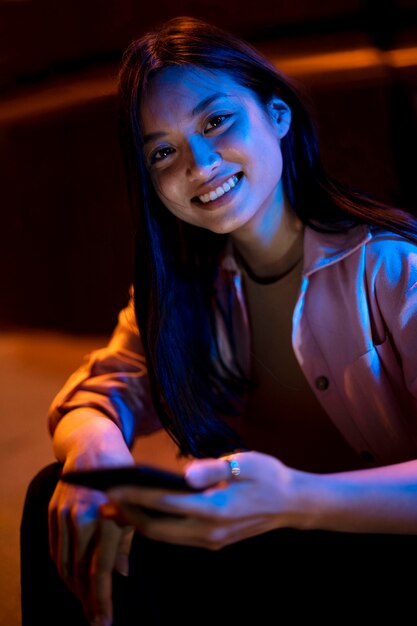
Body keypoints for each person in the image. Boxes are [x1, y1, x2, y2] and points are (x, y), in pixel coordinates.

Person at [20, 14, 417, 626]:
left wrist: (296, 500)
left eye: (215, 121)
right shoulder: (182, 293)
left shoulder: (392, 265)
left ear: (277, 115)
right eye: (163, 151)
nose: (198, 164)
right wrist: (95, 456)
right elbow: (102, 389)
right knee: (58, 492)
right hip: (265, 570)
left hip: (388, 562)